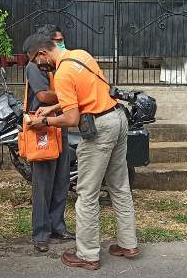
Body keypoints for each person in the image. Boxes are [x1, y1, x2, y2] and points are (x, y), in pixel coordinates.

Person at [28, 34, 139, 271]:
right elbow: (87, 90)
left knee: (87, 193)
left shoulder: (62, 73)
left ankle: (88, 255)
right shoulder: (81, 55)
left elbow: (72, 118)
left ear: (42, 53)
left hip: (99, 128)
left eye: (36, 62)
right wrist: (54, 106)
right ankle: (128, 244)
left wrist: (45, 121)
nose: (39, 67)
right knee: (120, 186)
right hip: (117, 118)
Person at [22, 24, 74, 253]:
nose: (60, 45)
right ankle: (40, 233)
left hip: (59, 126)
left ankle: (57, 226)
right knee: (42, 185)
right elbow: (43, 95)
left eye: (62, 40)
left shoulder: (60, 66)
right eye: (57, 41)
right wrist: (70, 93)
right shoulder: (34, 67)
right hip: (41, 129)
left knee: (61, 181)